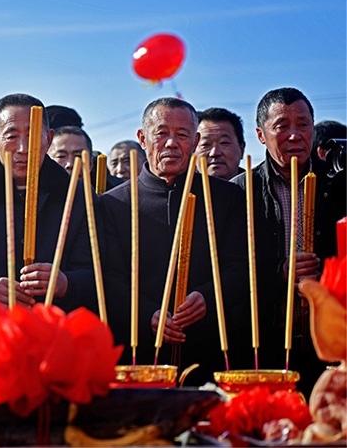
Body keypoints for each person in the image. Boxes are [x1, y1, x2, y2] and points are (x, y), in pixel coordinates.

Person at [100, 97, 250, 386]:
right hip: (139, 349)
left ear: (194, 142)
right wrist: (147, 314)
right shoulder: (113, 203)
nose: (171, 143)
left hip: (211, 349)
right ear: (143, 138)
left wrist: (208, 297)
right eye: (161, 133)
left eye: (182, 135)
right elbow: (108, 277)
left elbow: (244, 268)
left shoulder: (228, 198)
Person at [0, 93, 98, 357]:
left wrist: (65, 283)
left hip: (61, 345)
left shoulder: (78, 196)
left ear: (48, 139)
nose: (23, 147)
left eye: (34, 135)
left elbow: (101, 276)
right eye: (12, 135)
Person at [232, 87, 346, 396]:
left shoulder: (339, 185)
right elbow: (228, 271)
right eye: (282, 126)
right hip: (264, 341)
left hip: (330, 342)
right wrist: (278, 272)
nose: (294, 135)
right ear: (260, 134)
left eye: (303, 124)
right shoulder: (239, 192)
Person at [48, 125, 121, 190]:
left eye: (79, 156)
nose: (70, 164)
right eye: (61, 156)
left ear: (90, 164)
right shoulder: (38, 199)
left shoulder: (106, 200)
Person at [194, 108, 245, 180]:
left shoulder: (258, 188)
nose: (214, 153)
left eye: (224, 143)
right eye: (205, 144)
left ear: (241, 149)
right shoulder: (180, 189)